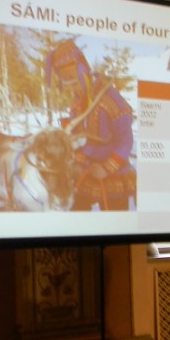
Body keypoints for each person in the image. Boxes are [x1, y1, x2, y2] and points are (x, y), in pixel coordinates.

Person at [44, 39, 136, 211]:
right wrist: (76, 159)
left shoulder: (111, 99)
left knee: (114, 222)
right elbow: (78, 137)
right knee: (77, 215)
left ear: (83, 72)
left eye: (74, 83)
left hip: (113, 173)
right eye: (68, 85)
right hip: (86, 171)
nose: (73, 89)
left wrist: (106, 168)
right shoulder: (77, 102)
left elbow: (126, 141)